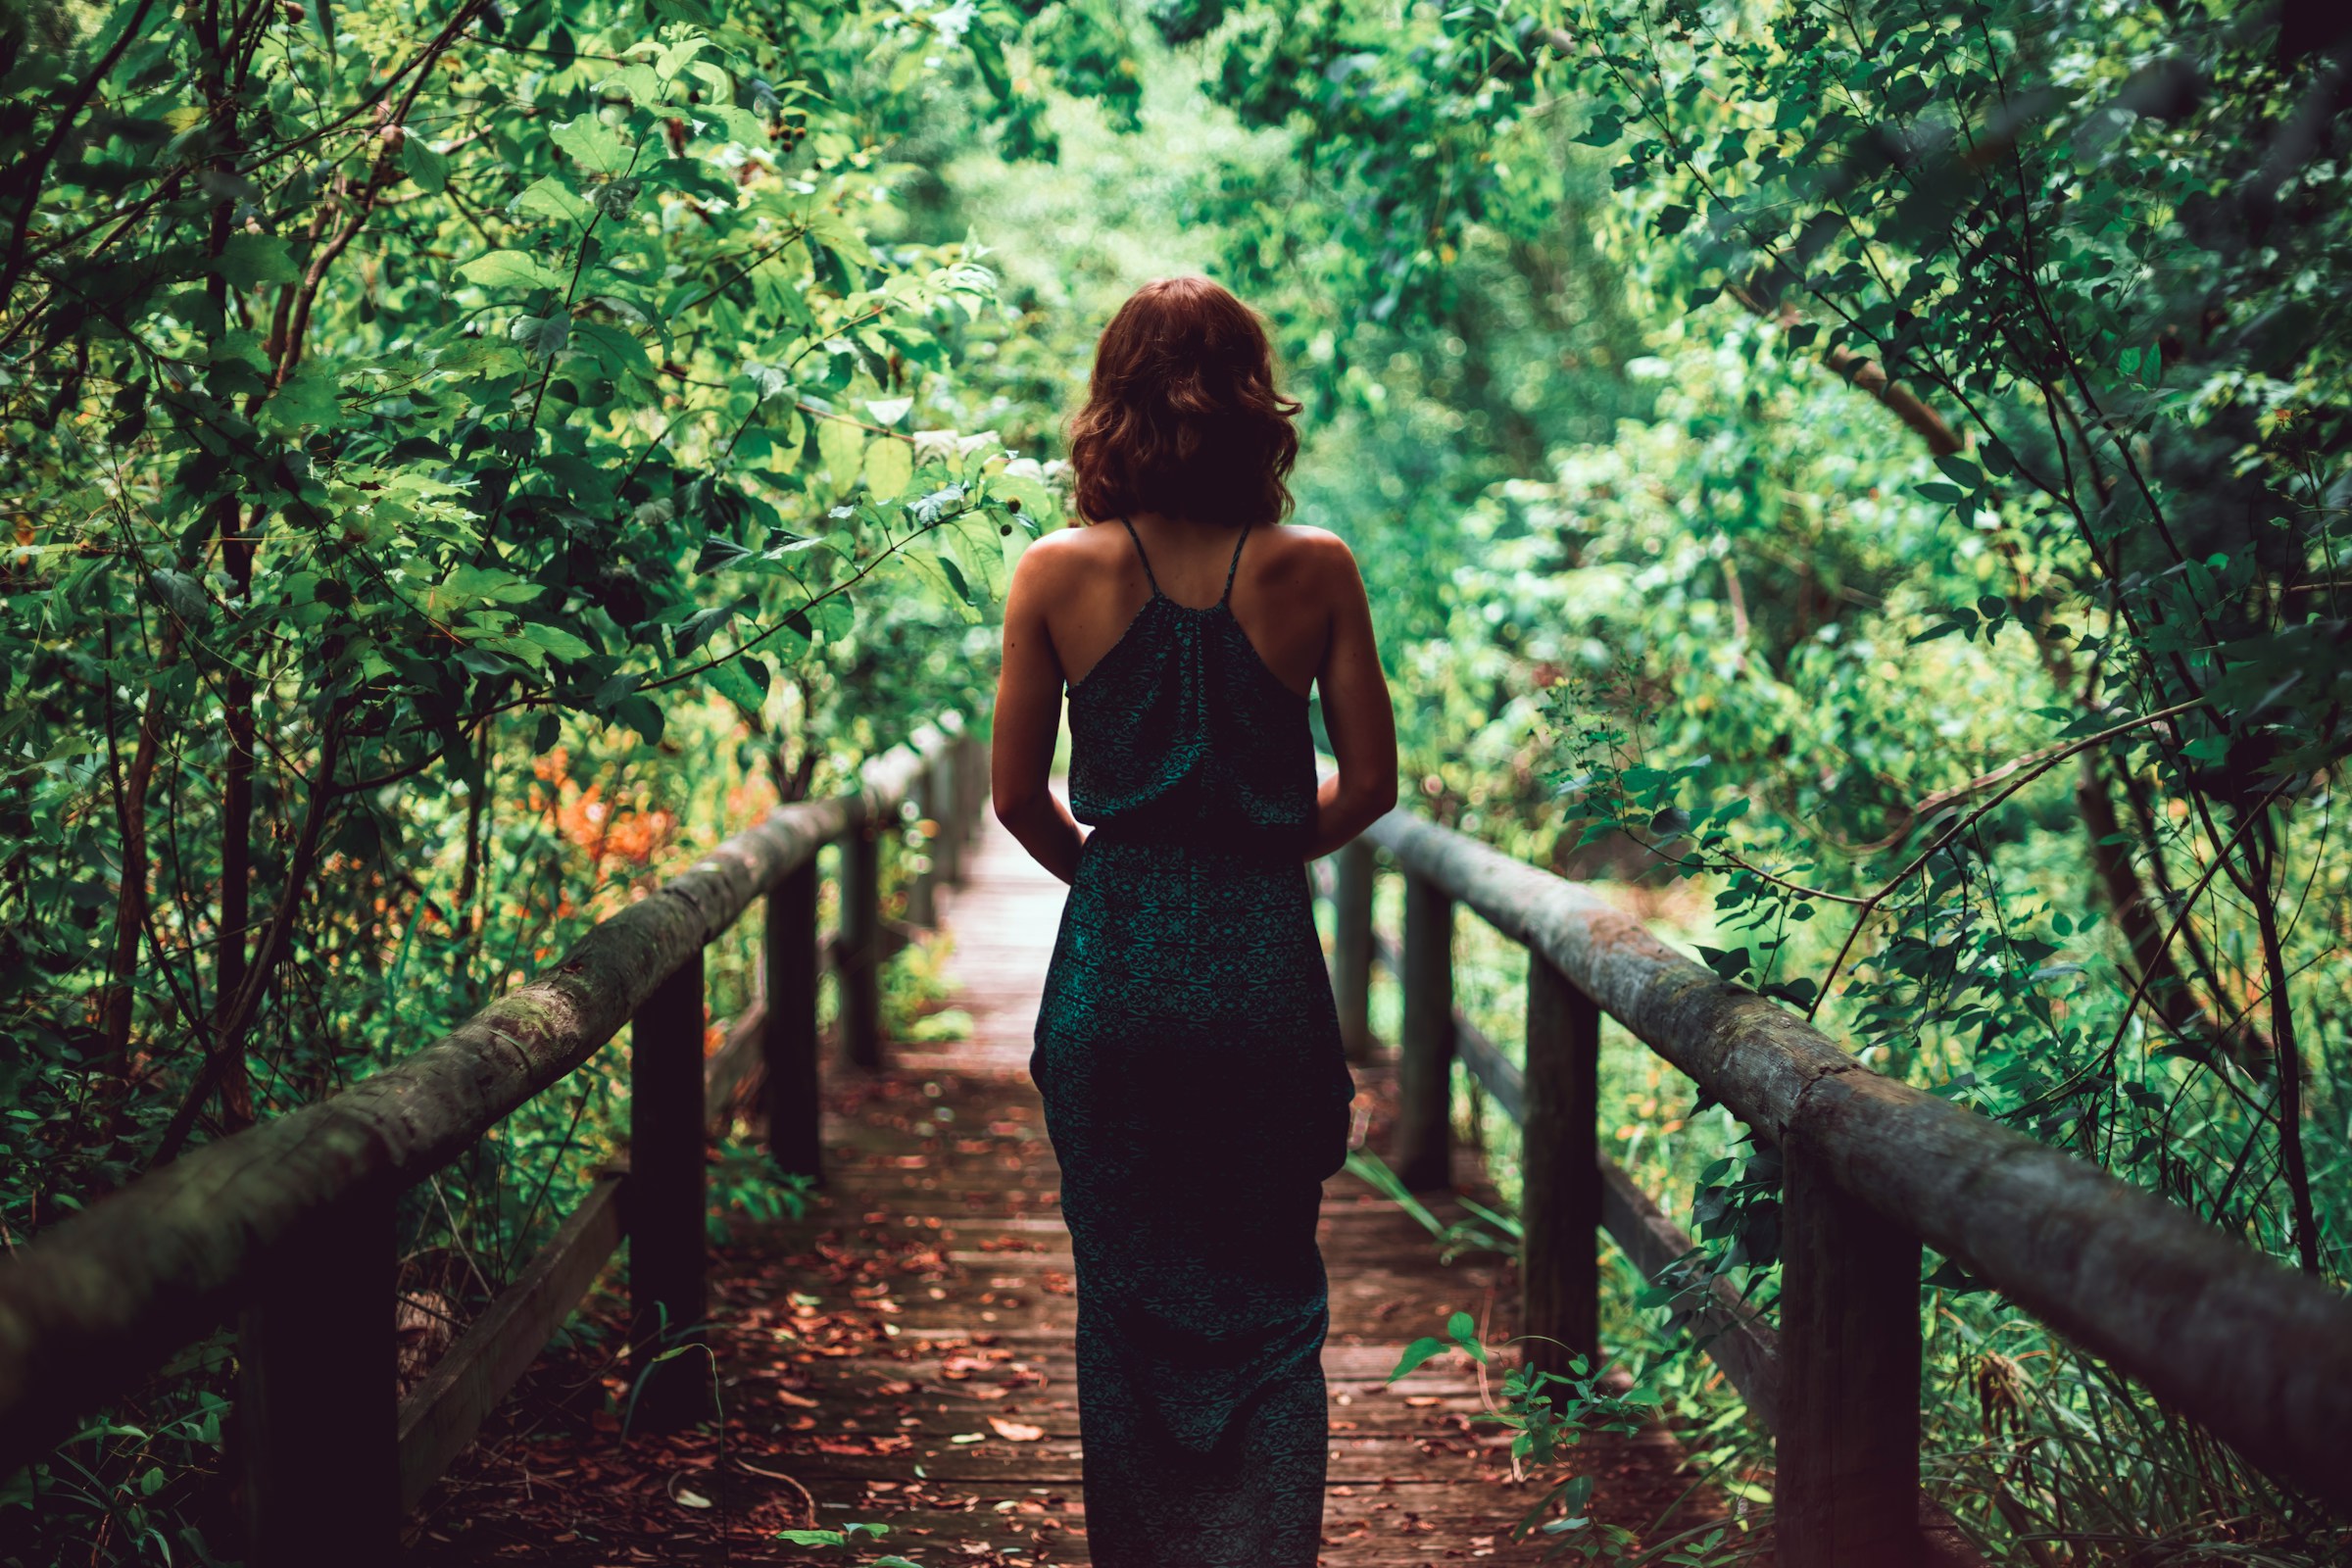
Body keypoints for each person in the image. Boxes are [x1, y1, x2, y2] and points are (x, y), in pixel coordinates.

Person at [989, 275, 1398, 1567]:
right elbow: (1373, 784)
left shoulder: (1054, 574)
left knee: (1123, 1296)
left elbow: (1014, 799)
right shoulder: (1315, 569)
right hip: (1265, 965)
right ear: (1254, 409)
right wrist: (1262, 852)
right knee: (1275, 1295)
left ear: (1111, 401)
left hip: (1116, 974)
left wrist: (1120, 885)